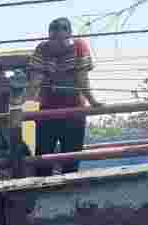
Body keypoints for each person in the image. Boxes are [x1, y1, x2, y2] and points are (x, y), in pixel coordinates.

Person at [26, 18, 104, 176]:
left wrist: (24, 104)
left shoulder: (71, 46)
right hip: (57, 112)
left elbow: (36, 81)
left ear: (68, 34)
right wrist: (25, 105)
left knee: (54, 159)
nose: (57, 41)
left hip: (63, 112)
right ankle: (51, 192)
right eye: (54, 36)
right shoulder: (48, 48)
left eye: (60, 35)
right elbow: (36, 81)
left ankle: (50, 192)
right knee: (55, 159)